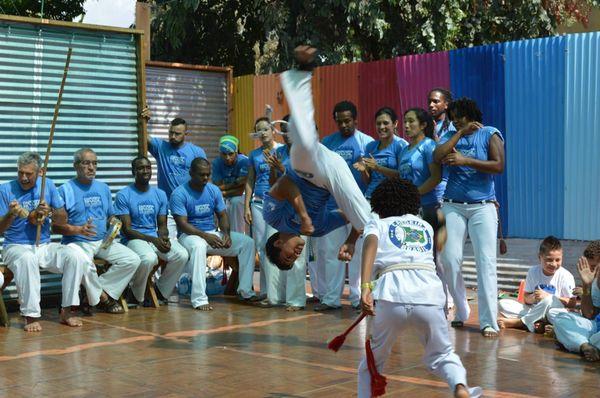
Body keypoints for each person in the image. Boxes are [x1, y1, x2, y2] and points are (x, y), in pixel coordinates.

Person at [357, 178, 480, 398]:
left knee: (373, 361)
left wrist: (365, 286)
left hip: (392, 295)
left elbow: (370, 244)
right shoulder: (424, 225)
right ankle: (460, 387)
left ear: (379, 204)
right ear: (414, 202)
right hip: (429, 295)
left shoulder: (377, 222)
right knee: (443, 354)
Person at [266, 47, 372, 282]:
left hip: (307, 171)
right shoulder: (321, 228)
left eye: (286, 257)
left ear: (278, 242)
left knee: (303, 139)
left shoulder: (272, 217)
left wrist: (303, 216)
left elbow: (285, 186)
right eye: (293, 261)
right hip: (333, 174)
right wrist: (351, 241)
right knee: (368, 222)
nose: (295, 256)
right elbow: (350, 216)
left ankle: (301, 72)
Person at [433, 97, 505, 338]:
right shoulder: (451, 134)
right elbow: (437, 156)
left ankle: (488, 321)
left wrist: (465, 160)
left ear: (472, 114)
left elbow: (498, 165)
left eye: (460, 118)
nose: (455, 122)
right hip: (451, 205)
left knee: (486, 263)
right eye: (453, 119)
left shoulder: (490, 134)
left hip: (483, 206)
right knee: (447, 259)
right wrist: (458, 133)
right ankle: (462, 309)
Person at [0, 152, 89, 331]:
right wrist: (11, 213)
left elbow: (61, 219)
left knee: (76, 255)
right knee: (27, 259)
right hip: (15, 246)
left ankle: (67, 310)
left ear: (40, 172)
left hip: (44, 245)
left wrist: (50, 211)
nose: (23, 178)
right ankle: (30, 315)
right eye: (20, 173)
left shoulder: (47, 185)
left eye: (28, 174)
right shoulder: (5, 189)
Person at [53, 148, 141, 314]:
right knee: (85, 263)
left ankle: (92, 295)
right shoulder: (65, 190)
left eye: (94, 163)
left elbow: (109, 216)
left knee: (132, 259)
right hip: (77, 242)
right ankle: (103, 298)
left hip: (102, 240)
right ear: (75, 166)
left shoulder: (103, 188)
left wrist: (114, 222)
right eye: (86, 163)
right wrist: (78, 230)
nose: (91, 167)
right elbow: (57, 226)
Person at [171, 158, 257, 311]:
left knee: (247, 243)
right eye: (201, 175)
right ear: (191, 173)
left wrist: (226, 234)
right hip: (189, 236)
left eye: (207, 175)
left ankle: (245, 291)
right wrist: (205, 236)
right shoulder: (179, 193)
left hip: (211, 233)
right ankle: (199, 298)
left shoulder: (213, 190)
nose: (205, 178)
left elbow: (222, 215)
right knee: (198, 246)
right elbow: (182, 224)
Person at [313, 99, 373, 311]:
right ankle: (331, 298)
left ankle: (357, 297)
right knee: (331, 253)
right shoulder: (328, 143)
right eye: (340, 122)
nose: (344, 125)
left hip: (360, 206)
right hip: (332, 207)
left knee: (357, 253)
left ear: (356, 120)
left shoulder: (367, 142)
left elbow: (372, 177)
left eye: (348, 121)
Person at [114, 156, 189, 305]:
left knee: (181, 254)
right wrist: (154, 240)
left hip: (153, 237)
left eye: (148, 167)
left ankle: (161, 292)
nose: (145, 171)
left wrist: (164, 238)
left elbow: (162, 224)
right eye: (141, 168)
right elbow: (127, 230)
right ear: (133, 171)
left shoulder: (160, 194)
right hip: (133, 240)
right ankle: (135, 294)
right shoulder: (124, 195)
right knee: (149, 258)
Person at [497, 236, 576, 332]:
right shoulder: (533, 271)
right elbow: (526, 298)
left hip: (554, 312)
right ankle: (540, 323)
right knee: (502, 304)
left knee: (550, 302)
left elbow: (572, 303)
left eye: (558, 260)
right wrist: (534, 297)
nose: (554, 264)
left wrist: (550, 297)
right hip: (534, 310)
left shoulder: (566, 276)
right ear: (540, 257)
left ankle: (521, 323)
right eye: (549, 260)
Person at [147, 117, 207, 236]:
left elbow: (204, 178)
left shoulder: (197, 152)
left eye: (177, 134)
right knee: (170, 244)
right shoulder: (161, 147)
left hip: (189, 206)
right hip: (168, 207)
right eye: (171, 132)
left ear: (186, 134)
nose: (173, 136)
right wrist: (145, 119)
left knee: (194, 241)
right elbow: (144, 136)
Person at [244, 117, 282, 300]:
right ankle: (266, 291)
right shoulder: (254, 155)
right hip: (258, 204)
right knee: (261, 246)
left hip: (276, 203)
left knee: (273, 243)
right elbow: (250, 180)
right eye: (259, 131)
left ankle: (277, 291)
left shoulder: (281, 150)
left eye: (266, 129)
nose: (263, 133)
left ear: (273, 130)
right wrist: (247, 207)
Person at [553, 241, 600, 361]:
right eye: (589, 267)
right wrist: (586, 285)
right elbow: (589, 314)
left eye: (594, 267)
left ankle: (577, 342)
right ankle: (585, 346)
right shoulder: (592, 279)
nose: (590, 271)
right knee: (561, 319)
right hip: (594, 326)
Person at [354, 106, 407, 201]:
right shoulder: (370, 146)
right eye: (378, 123)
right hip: (371, 197)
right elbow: (368, 181)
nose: (381, 127)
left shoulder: (401, 145)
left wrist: (378, 168)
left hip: (393, 198)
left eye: (385, 123)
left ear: (395, 124)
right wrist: (363, 170)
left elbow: (404, 176)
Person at [211, 135, 249, 235]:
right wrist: (236, 183)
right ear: (220, 153)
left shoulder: (244, 161)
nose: (227, 158)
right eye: (224, 154)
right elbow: (218, 186)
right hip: (226, 195)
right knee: (216, 202)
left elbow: (241, 190)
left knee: (236, 201)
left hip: (242, 196)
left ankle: (238, 234)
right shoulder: (216, 162)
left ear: (236, 152)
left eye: (231, 154)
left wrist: (222, 191)